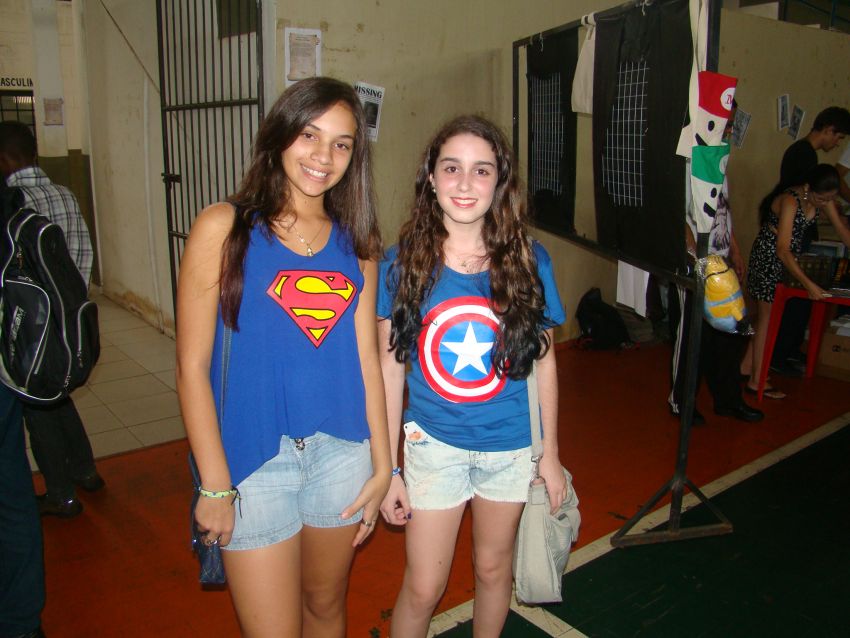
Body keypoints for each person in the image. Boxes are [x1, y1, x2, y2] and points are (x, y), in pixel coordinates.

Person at [175, 77, 391, 638]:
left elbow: (368, 360)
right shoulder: (224, 228)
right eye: (309, 135)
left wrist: (383, 465)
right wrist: (214, 485)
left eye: (342, 144)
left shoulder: (358, 241)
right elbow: (192, 368)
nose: (324, 156)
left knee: (326, 607)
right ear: (279, 135)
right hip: (253, 463)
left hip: (342, 456)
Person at [377, 115, 568, 638]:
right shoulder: (400, 266)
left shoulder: (530, 262)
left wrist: (549, 455)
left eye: (482, 170)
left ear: (500, 181)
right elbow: (389, 369)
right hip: (432, 448)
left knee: (492, 570)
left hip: (510, 448)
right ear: (431, 177)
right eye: (451, 168)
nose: (465, 183)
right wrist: (388, 468)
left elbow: (545, 361)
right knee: (423, 587)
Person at [0, 120, 102, 519]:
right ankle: (86, 471)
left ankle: (61, 494)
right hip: (72, 318)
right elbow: (82, 253)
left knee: (36, 404)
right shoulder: (65, 192)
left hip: (36, 327)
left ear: (4, 159)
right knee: (59, 394)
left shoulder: (14, 203)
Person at [669, 104, 763, 424]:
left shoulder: (719, 157)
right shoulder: (687, 158)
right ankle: (681, 402)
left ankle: (727, 399)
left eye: (733, 124)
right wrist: (696, 257)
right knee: (692, 336)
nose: (730, 130)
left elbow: (723, 208)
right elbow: (677, 213)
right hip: (696, 262)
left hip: (720, 259)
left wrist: (734, 249)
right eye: (727, 123)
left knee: (731, 332)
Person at [744, 164, 850, 399]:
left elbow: (842, 230)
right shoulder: (790, 201)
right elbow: (782, 249)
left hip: (787, 259)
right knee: (768, 319)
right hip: (769, 258)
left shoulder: (822, 197)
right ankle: (757, 380)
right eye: (822, 199)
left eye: (830, 199)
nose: (825, 203)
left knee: (766, 318)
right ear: (808, 188)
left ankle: (746, 367)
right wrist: (808, 284)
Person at [770, 107, 850, 376]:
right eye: (838, 137)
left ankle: (788, 350)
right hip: (789, 239)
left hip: (796, 236)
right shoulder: (802, 155)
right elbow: (798, 202)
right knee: (795, 299)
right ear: (828, 129)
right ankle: (780, 354)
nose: (837, 143)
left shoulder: (804, 153)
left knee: (801, 301)